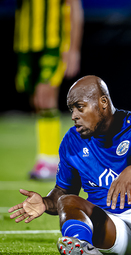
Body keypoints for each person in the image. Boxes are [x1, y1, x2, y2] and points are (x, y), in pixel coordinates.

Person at [8, 75, 131, 255]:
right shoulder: (71, 141)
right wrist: (45, 202)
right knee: (67, 201)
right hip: (111, 229)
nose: (74, 116)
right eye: (71, 109)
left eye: (80, 107)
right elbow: (63, 191)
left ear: (103, 103)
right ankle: (82, 248)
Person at [14, 0, 83, 180]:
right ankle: (44, 158)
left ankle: (52, 161)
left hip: (53, 43)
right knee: (37, 100)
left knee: (46, 96)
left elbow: (74, 8)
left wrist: (73, 49)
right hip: (25, 43)